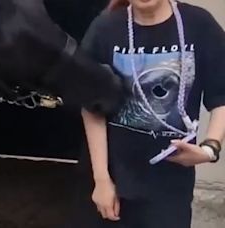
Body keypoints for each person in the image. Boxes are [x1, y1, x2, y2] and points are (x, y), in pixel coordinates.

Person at [73, 0, 225, 227]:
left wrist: (209, 148)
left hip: (170, 189)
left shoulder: (199, 25)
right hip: (112, 181)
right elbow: (92, 105)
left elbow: (221, 96)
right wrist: (101, 179)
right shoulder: (105, 28)